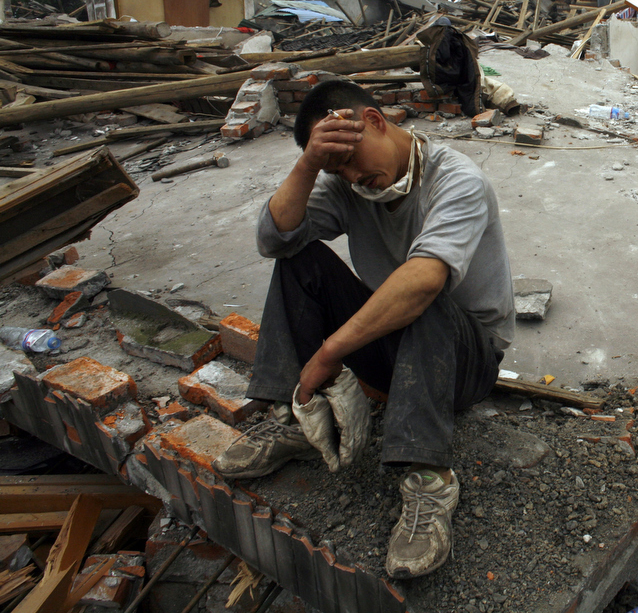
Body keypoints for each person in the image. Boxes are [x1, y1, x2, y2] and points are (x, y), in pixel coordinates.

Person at [213, 77, 515, 579]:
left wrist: (329, 354)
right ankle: (292, 418)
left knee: (422, 289)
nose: (353, 176)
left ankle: (428, 481)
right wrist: (311, 164)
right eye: (338, 169)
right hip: (396, 348)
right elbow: (274, 239)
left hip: (466, 360)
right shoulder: (346, 184)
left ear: (374, 121)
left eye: (353, 159)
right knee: (298, 261)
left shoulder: (456, 179)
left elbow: (421, 284)